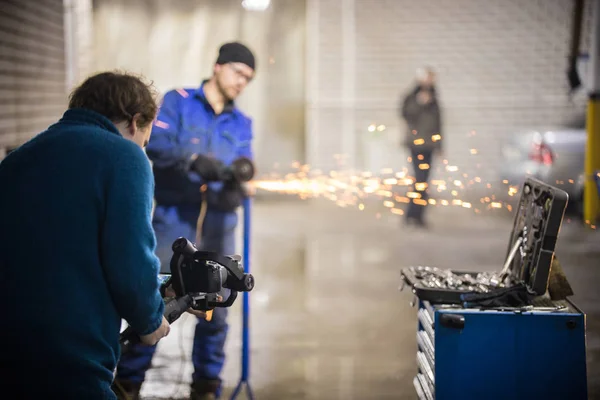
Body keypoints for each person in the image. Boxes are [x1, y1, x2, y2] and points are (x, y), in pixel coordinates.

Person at [0, 71, 176, 399]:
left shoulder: (19, 158)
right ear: (136, 122)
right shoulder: (125, 157)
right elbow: (129, 258)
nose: (143, 148)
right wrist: (151, 320)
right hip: (69, 354)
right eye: (146, 141)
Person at [113, 42, 256, 400]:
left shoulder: (242, 123)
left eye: (248, 79)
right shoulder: (177, 102)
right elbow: (156, 144)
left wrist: (240, 179)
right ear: (218, 66)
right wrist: (193, 160)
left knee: (216, 307)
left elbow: (244, 163)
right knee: (156, 299)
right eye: (238, 73)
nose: (242, 82)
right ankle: (127, 384)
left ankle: (206, 387)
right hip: (174, 220)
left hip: (220, 224)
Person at [399, 66, 443, 228]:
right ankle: (412, 215)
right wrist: (419, 103)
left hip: (429, 145)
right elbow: (405, 113)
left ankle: (417, 215)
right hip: (416, 144)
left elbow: (438, 124)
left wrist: (440, 145)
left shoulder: (434, 98)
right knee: (420, 180)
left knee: (424, 181)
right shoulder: (412, 96)